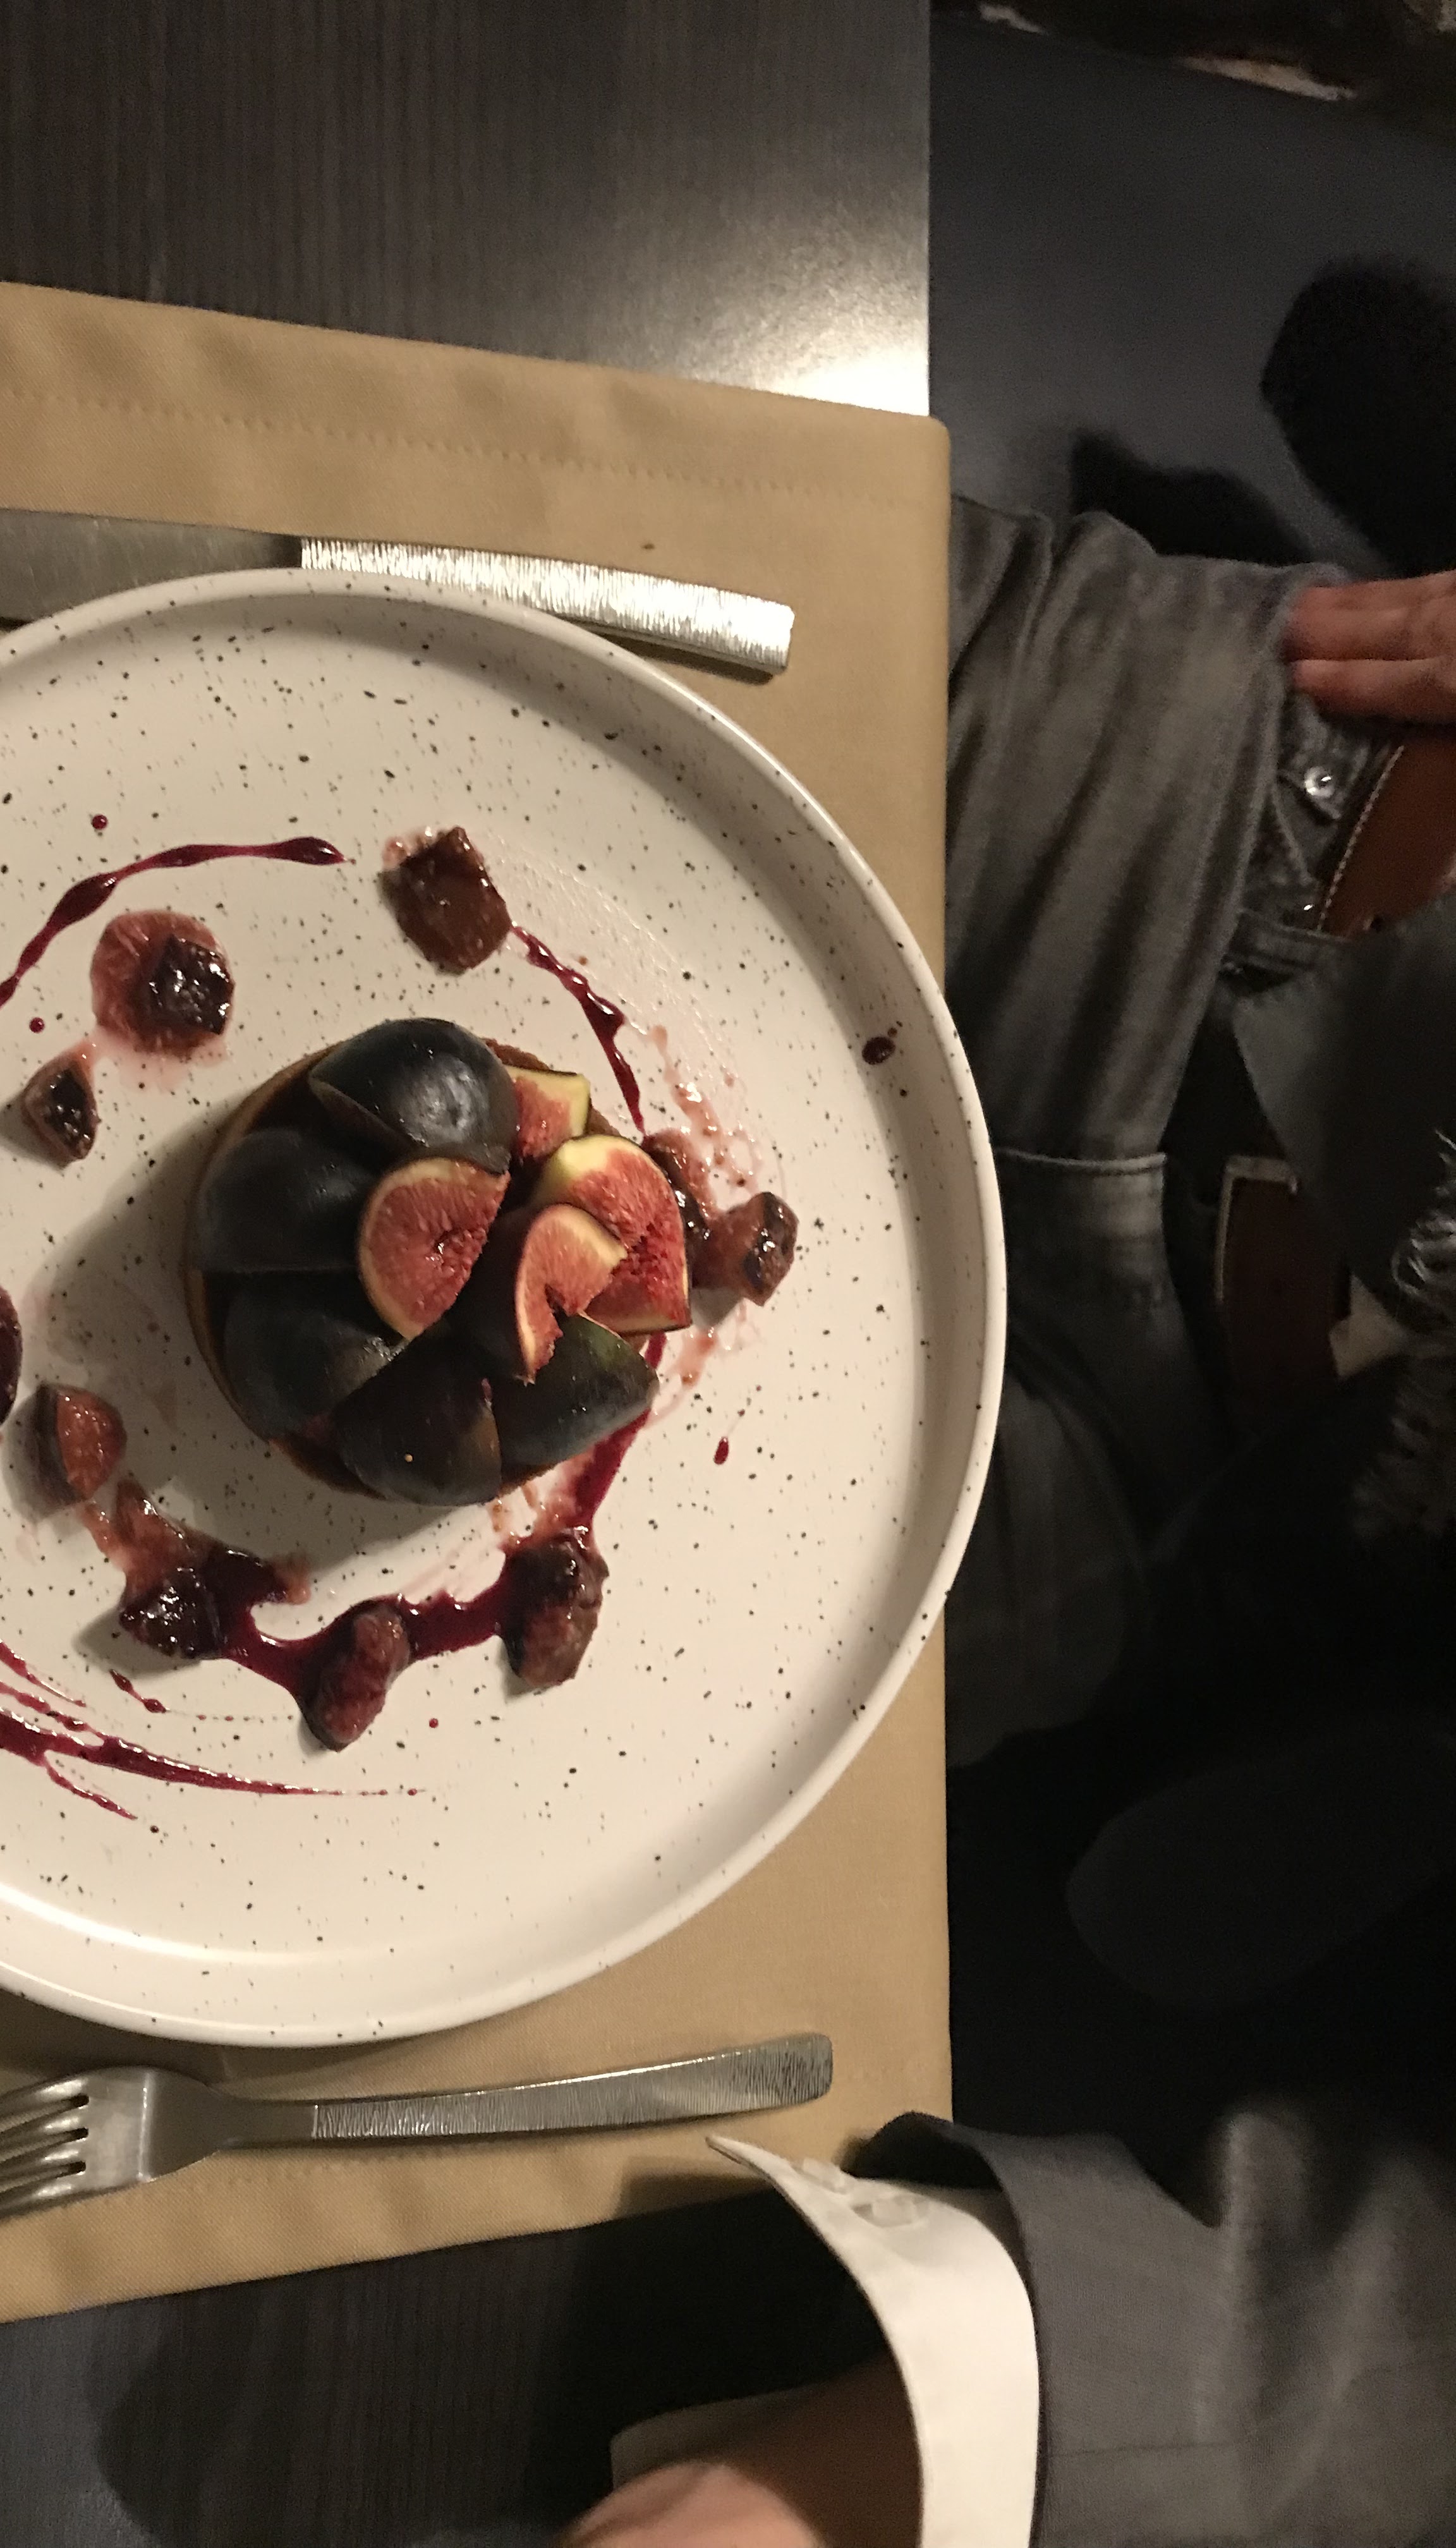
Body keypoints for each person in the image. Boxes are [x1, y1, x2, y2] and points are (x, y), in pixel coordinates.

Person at [552, 510, 1456, 2547]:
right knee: (426, 636)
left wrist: (922, 2456)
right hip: (1284, 861)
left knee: (503, 1727)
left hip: (1216, 1506)